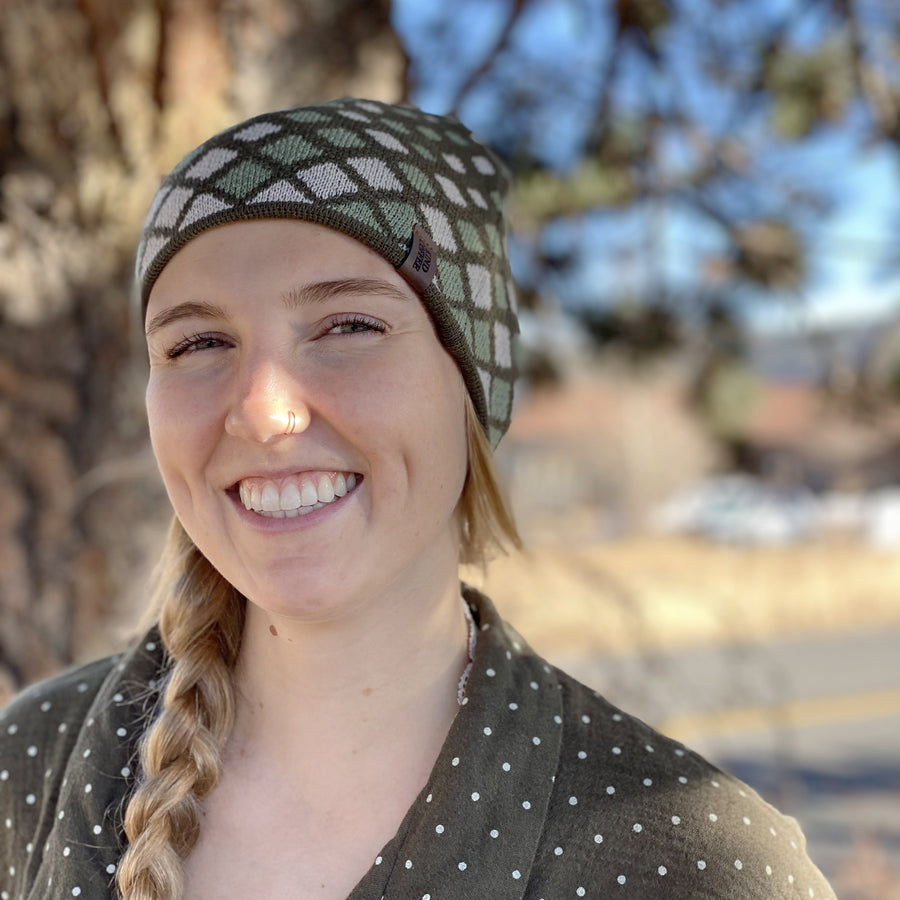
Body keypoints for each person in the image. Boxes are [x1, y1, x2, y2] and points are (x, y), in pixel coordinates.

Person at [0, 98, 834, 900]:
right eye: (200, 341)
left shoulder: (694, 861)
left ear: (467, 387)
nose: (263, 411)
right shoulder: (30, 763)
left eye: (348, 326)